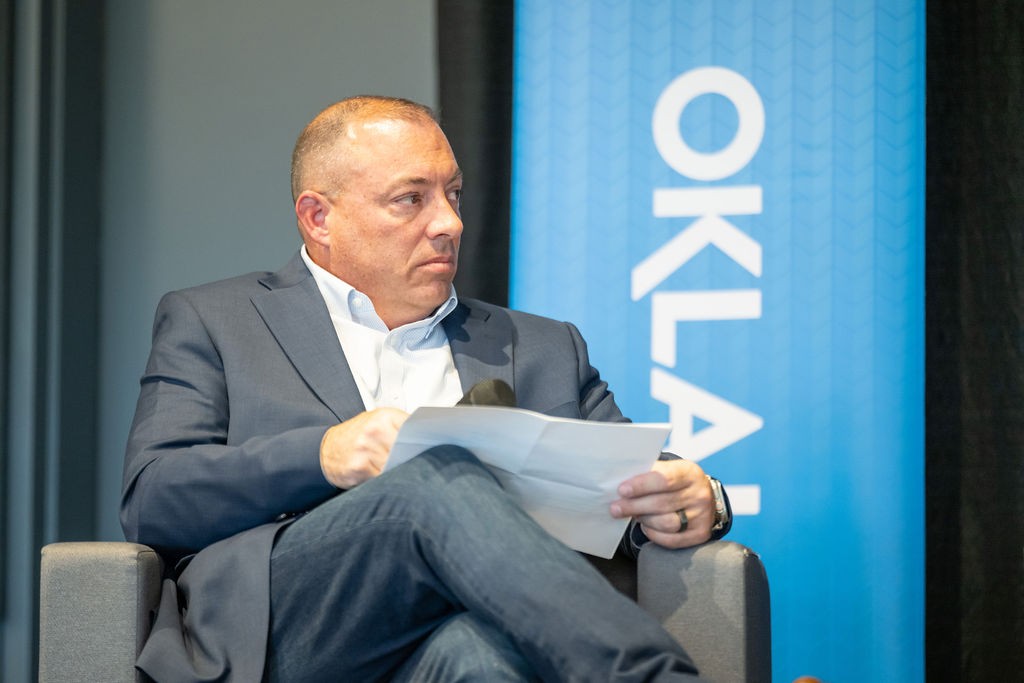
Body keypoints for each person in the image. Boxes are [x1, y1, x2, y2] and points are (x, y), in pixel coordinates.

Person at [121, 96, 733, 682]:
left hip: (467, 628)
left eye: (453, 194)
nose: (449, 222)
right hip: (290, 636)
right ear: (319, 217)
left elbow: (627, 476)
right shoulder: (216, 319)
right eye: (409, 199)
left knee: (481, 658)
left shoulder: (543, 346)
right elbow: (154, 500)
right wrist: (322, 455)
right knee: (436, 477)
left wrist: (697, 497)